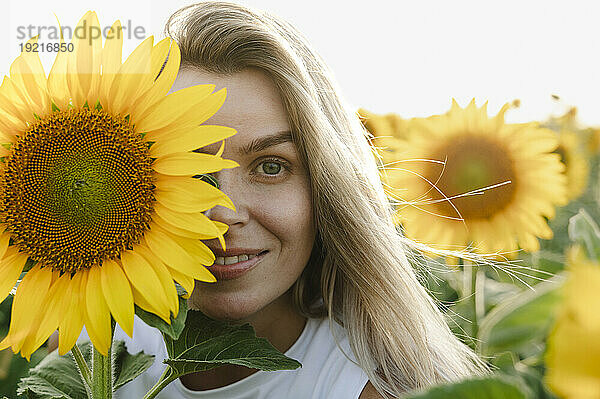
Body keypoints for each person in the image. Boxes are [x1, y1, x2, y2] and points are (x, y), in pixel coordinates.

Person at [110, 2, 487, 398]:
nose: (223, 212)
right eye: (187, 169)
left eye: (270, 167)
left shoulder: (364, 388)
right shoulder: (96, 336)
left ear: (326, 188)